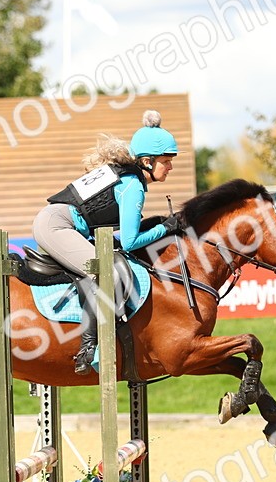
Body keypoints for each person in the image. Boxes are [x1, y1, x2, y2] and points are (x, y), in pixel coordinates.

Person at [32, 109, 182, 375]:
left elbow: (118, 237)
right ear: (147, 161)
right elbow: (130, 241)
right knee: (106, 271)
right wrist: (165, 228)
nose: (170, 167)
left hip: (64, 223)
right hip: (57, 225)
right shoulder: (132, 185)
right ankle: (90, 347)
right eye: (166, 161)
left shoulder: (127, 177)